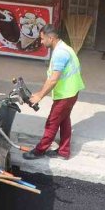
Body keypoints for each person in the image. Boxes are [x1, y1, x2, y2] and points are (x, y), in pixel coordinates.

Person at [22, 25, 85, 161]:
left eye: (43, 39)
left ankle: (39, 151)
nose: (42, 42)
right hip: (71, 92)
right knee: (64, 120)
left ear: (51, 38)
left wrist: (39, 95)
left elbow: (53, 80)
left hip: (66, 94)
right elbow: (51, 77)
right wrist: (40, 92)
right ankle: (64, 151)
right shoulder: (64, 48)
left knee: (52, 122)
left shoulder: (60, 54)